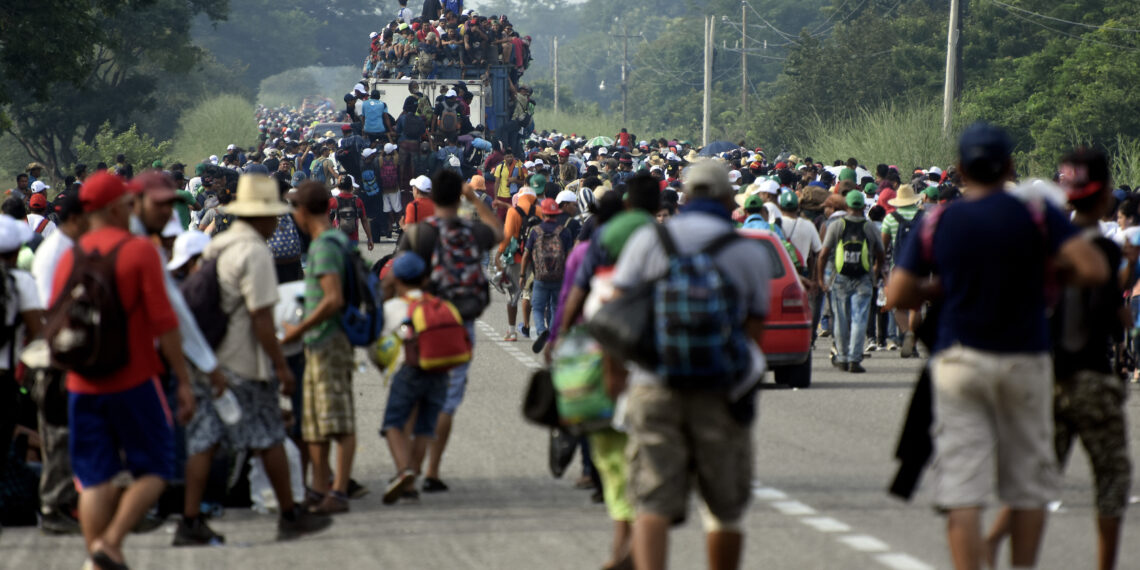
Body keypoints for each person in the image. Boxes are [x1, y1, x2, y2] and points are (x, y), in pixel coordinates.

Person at [887, 123, 1110, 570]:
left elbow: (897, 294)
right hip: (1025, 358)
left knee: (963, 489)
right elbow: (1093, 271)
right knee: (1027, 485)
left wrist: (941, 288)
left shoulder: (941, 219)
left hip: (960, 359)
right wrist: (1046, 273)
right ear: (1009, 167)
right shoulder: (1033, 216)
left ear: (960, 170)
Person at [610, 161, 770, 570]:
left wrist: (616, 377)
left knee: (652, 500)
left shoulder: (651, 240)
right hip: (719, 388)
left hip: (654, 382)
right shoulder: (746, 250)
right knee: (725, 508)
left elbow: (617, 314)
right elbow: (754, 328)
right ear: (726, 199)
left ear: (685, 196)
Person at [983, 149, 1132, 570]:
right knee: (1111, 479)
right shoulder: (1101, 248)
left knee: (1035, 478)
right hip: (1090, 376)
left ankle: (993, 543)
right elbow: (1107, 313)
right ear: (1104, 199)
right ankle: (1105, 564)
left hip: (1044, 377)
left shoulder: (1040, 247)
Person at [176, 175, 333, 545]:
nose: (280, 221)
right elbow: (262, 319)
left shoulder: (220, 243)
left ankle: (189, 520)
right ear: (262, 216)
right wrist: (280, 366)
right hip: (244, 360)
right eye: (275, 215)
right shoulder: (256, 252)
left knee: (206, 440)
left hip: (211, 356)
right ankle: (290, 515)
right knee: (269, 436)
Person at [52, 171, 195, 569]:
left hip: (82, 383)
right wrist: (183, 381)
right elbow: (165, 323)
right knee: (157, 467)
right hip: (134, 379)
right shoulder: (138, 251)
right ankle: (109, 545)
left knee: (95, 478)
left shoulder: (70, 256)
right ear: (118, 208)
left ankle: (96, 561)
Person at [396, 169, 503, 494]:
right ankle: (432, 470)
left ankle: (408, 467)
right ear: (457, 196)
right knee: (446, 400)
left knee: (416, 395)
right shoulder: (471, 231)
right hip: (461, 325)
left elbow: (399, 277)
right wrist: (473, 198)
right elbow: (496, 231)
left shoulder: (418, 234)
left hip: (424, 322)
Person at [280, 182, 357, 515]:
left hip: (328, 339)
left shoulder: (325, 245)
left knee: (336, 418)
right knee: (314, 420)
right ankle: (320, 487)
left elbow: (333, 299)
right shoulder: (334, 240)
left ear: (302, 211)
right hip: (321, 340)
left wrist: (297, 330)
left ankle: (337, 491)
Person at [817, 190, 884, 374]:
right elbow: (880, 252)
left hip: (840, 277)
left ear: (846, 206)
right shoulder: (869, 227)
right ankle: (855, 358)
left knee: (840, 318)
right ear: (863, 206)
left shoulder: (837, 225)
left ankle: (843, 357)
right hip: (863, 278)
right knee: (859, 317)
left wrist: (821, 279)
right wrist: (876, 271)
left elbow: (823, 255)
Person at [520, 197, 573, 351]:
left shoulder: (535, 231)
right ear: (556, 214)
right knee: (556, 307)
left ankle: (541, 331)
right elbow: (570, 256)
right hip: (559, 277)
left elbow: (526, 255)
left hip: (540, 277)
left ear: (543, 213)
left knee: (537, 307)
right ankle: (552, 337)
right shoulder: (564, 232)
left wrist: (523, 275)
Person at [881, 184, 924, 357]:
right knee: (916, 308)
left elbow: (882, 248)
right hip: (919, 268)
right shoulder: (924, 217)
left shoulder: (890, 219)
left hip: (898, 268)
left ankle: (906, 334)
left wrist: (881, 271)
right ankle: (913, 341)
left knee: (897, 307)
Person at [497, 184, 538, 341]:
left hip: (516, 259)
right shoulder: (540, 211)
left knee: (512, 296)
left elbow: (507, 236)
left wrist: (499, 254)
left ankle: (512, 331)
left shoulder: (513, 212)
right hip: (535, 259)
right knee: (530, 293)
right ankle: (536, 326)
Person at [330, 175, 374, 251]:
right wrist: (370, 238)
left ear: (339, 187)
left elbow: (325, 220)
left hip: (336, 238)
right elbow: (364, 220)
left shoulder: (333, 201)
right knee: (351, 261)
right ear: (351, 187)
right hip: (353, 238)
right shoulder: (358, 201)